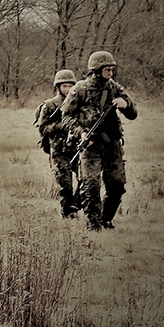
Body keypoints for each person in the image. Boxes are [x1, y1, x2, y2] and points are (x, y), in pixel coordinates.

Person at [61, 51, 137, 231]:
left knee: (117, 184)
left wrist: (125, 105)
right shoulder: (80, 89)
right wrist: (81, 132)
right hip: (90, 145)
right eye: (107, 69)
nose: (110, 73)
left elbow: (133, 114)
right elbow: (66, 116)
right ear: (96, 70)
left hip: (112, 144)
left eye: (112, 69)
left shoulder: (115, 89)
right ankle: (93, 224)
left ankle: (106, 219)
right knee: (91, 186)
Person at [36, 69, 80, 220]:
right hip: (59, 151)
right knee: (65, 185)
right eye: (64, 86)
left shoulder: (79, 104)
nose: (67, 90)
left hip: (77, 149)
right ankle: (69, 213)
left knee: (87, 180)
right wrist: (60, 126)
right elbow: (42, 128)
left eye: (70, 86)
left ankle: (75, 205)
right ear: (58, 87)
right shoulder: (49, 105)